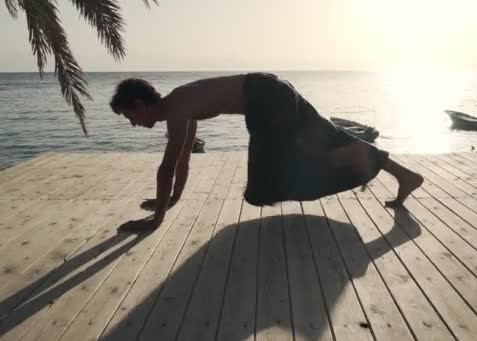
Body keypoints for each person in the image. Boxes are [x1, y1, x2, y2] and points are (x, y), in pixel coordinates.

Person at [110, 73, 423, 230]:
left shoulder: (177, 106)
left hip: (265, 98)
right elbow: (183, 160)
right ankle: (406, 175)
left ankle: (342, 157)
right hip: (273, 88)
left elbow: (167, 166)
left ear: (140, 104)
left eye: (129, 116)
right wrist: (174, 200)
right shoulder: (181, 106)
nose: (133, 123)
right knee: (331, 136)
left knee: (261, 191)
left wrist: (156, 221)